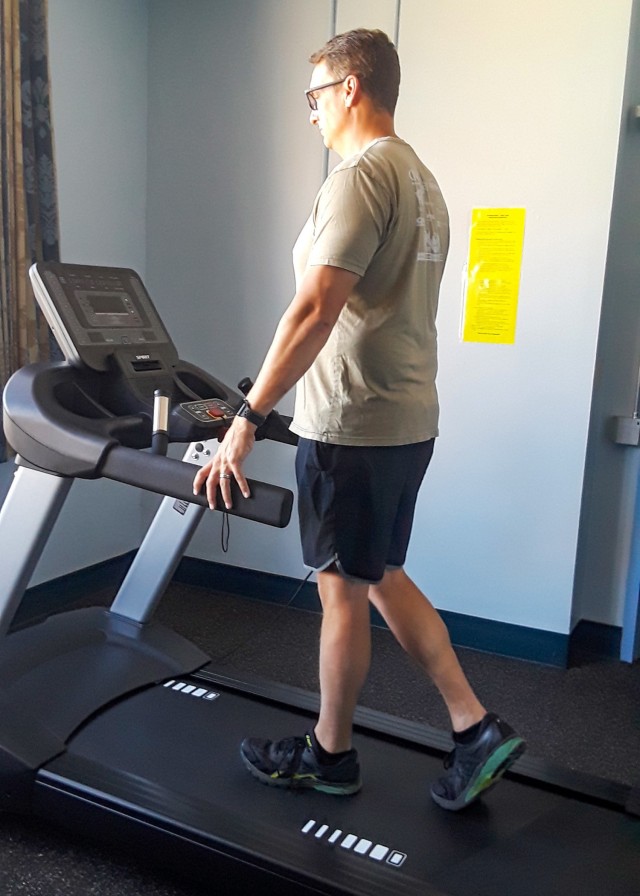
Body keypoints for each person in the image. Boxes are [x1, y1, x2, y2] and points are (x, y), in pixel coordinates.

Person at [193, 28, 525, 812]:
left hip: (353, 423)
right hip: (408, 420)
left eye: (314, 96)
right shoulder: (422, 179)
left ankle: (330, 755)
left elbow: (313, 310)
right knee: (376, 575)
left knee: (341, 589)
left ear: (350, 88)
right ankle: (473, 723)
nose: (309, 113)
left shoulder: (358, 179)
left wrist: (246, 416)